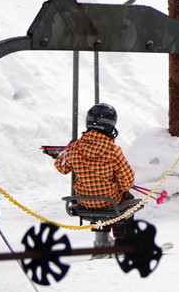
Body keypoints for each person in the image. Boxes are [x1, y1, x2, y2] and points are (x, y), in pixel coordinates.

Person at [54, 103, 136, 255]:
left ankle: (101, 242)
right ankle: (123, 244)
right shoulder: (113, 151)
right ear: (111, 127)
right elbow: (127, 183)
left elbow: (62, 167)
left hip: (84, 201)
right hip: (110, 202)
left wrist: (64, 152)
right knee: (127, 201)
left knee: (99, 203)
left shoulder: (75, 148)